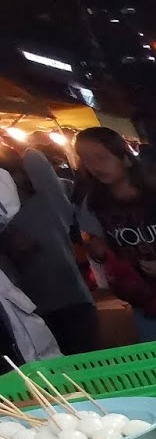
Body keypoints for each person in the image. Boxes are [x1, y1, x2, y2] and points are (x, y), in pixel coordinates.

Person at [74, 128, 156, 343]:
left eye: (102, 158)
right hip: (141, 301)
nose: (95, 166)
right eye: (87, 160)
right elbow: (94, 244)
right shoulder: (93, 205)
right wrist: (98, 251)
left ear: (125, 159)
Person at [0, 147, 97, 355]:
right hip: (30, 310)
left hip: (71, 300)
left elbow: (35, 158)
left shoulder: (48, 199)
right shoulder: (4, 222)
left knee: (86, 361)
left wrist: (15, 149)